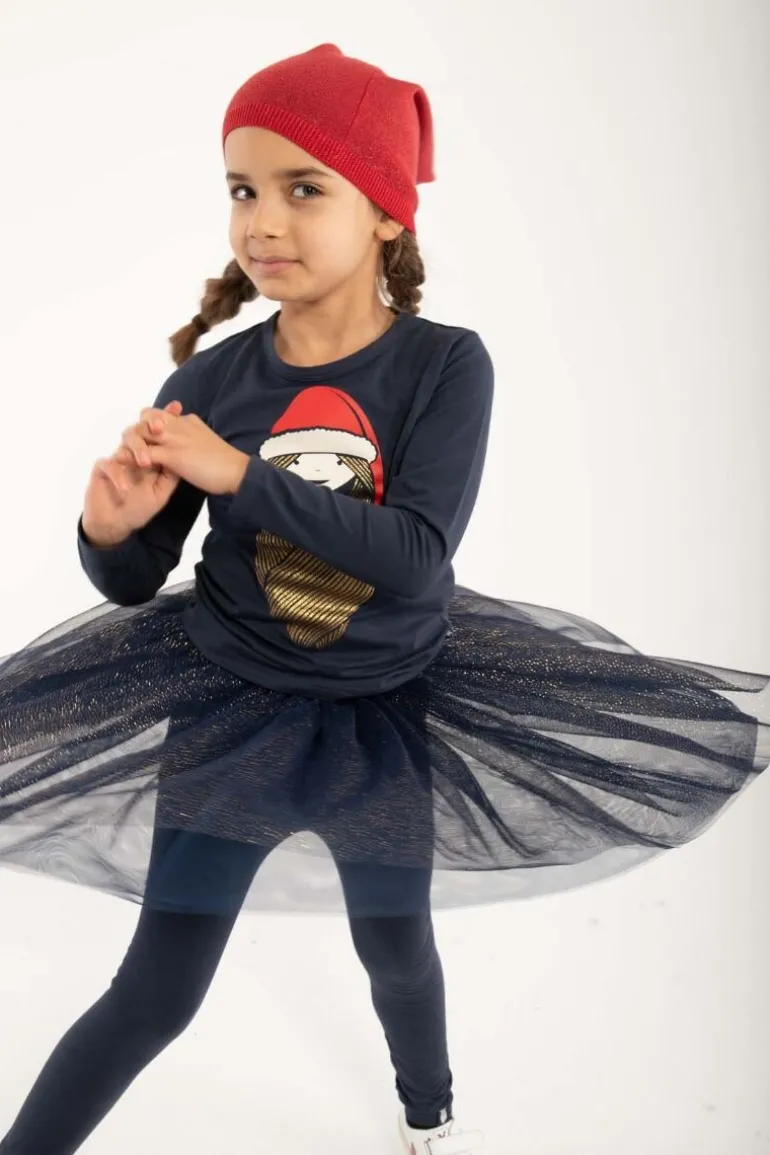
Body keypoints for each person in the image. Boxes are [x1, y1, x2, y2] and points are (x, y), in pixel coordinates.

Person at [0, 42, 768, 1155]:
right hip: (228, 716)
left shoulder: (445, 367)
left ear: (386, 215)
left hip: (383, 719)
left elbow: (414, 555)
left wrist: (240, 475)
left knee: (396, 948)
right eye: (242, 190)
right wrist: (108, 531)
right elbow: (133, 580)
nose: (264, 221)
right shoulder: (209, 382)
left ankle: (427, 1110)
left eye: (303, 189)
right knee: (155, 992)